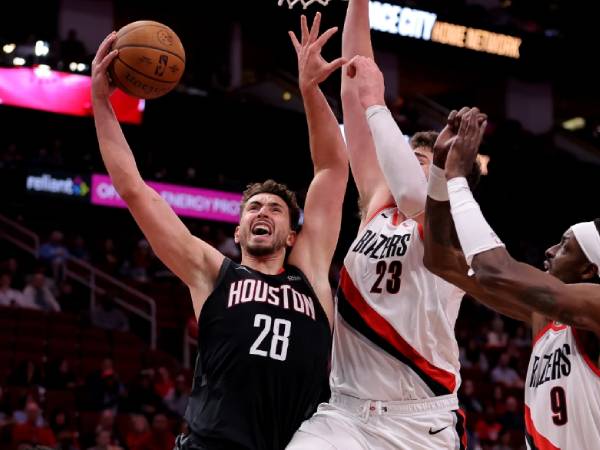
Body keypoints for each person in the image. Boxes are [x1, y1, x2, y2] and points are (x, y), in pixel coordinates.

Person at [91, 12, 348, 449]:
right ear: (239, 226)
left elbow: (331, 168)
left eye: (274, 208)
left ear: (292, 235)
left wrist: (309, 90)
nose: (261, 212)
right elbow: (136, 190)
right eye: (252, 208)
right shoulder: (212, 272)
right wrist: (100, 102)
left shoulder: (310, 271)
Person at [288, 2, 480, 448]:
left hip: (421, 422)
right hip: (345, 413)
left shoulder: (455, 222)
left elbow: (417, 195)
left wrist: (378, 104)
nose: (406, 163)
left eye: (424, 161)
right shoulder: (378, 201)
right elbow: (356, 95)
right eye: (409, 154)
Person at [423, 106, 600, 449]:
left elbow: (495, 269)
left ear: (589, 270)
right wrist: (439, 172)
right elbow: (440, 259)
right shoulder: (544, 316)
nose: (549, 250)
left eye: (565, 246)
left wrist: (458, 178)